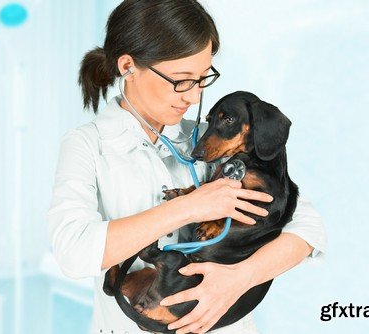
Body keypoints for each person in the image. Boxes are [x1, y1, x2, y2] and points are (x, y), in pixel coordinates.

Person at [47, 1, 327, 333]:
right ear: (128, 66)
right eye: (181, 81)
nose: (193, 98)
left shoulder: (210, 140)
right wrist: (189, 207)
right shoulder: (86, 145)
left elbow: (307, 228)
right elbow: (74, 251)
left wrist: (238, 279)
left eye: (201, 80)